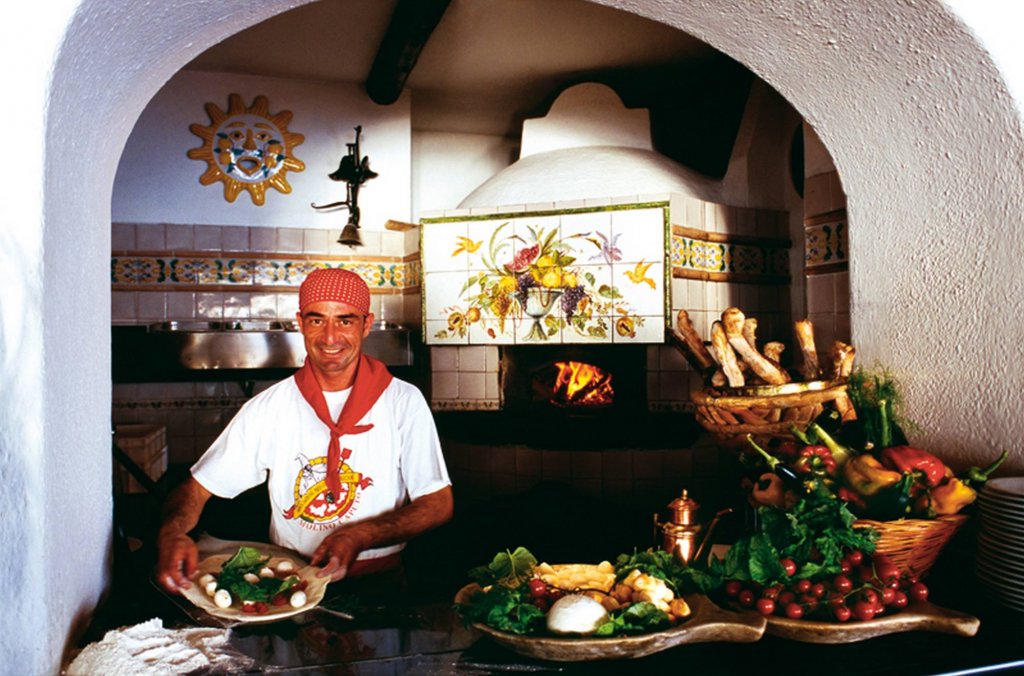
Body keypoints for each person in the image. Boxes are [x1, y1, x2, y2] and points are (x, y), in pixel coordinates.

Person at [156, 268, 453, 593]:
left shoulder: (402, 401)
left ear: (366, 324)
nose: (330, 337)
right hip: (290, 582)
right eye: (316, 320)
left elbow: (437, 502)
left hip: (381, 583)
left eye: (345, 321)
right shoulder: (270, 407)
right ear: (300, 323)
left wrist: (361, 535)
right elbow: (196, 489)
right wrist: (172, 534)